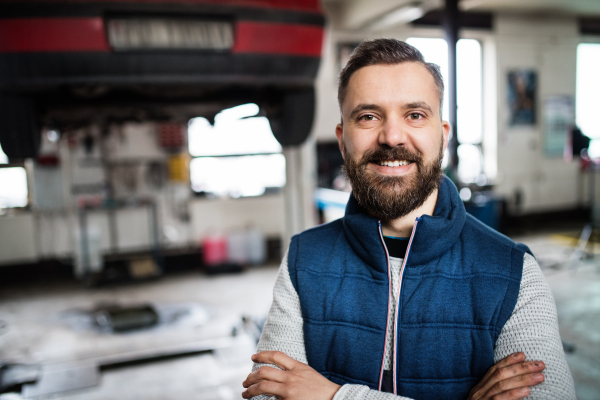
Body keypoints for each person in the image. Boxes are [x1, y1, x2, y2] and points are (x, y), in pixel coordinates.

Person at [242, 39, 575, 400]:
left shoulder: (513, 273)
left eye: (415, 115)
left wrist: (334, 396)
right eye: (368, 116)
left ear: (442, 137)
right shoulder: (303, 261)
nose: (392, 137)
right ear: (342, 141)